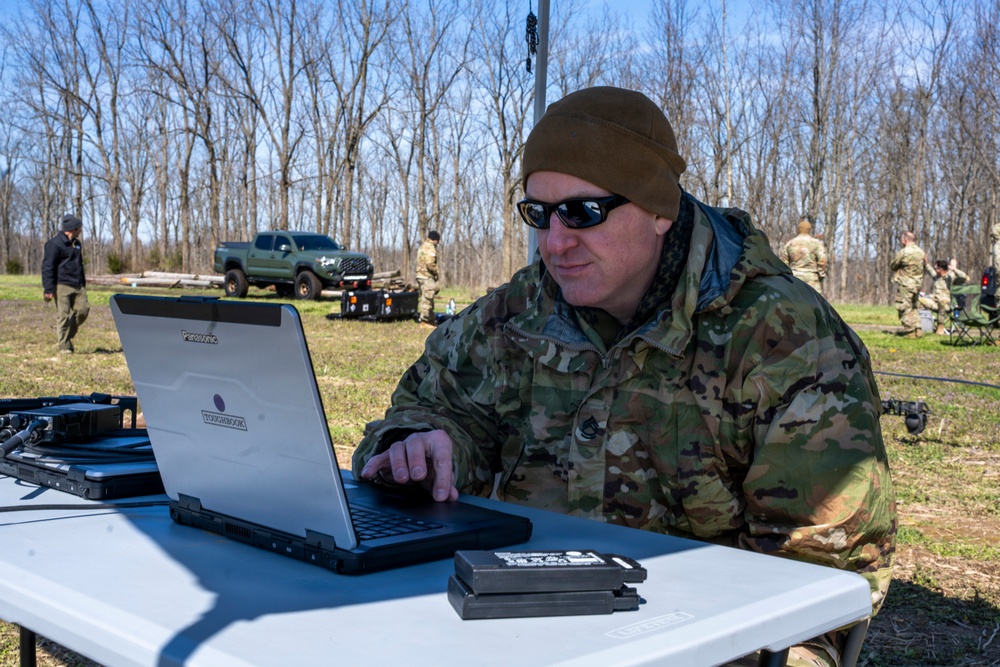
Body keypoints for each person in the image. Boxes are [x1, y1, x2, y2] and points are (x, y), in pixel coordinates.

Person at [353, 87, 895, 667]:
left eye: (583, 212)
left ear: (660, 211)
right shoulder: (516, 311)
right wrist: (422, 448)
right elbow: (433, 409)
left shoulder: (784, 340)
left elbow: (819, 584)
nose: (554, 243)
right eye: (538, 214)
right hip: (515, 630)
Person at [42, 214, 89, 354]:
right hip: (61, 285)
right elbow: (47, 267)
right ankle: (64, 346)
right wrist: (48, 288)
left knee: (83, 310)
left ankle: (66, 336)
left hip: (77, 284)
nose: (81, 230)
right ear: (73, 228)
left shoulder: (77, 244)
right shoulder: (54, 244)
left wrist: (83, 282)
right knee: (63, 315)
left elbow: (79, 265)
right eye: (79, 227)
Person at [778, 216, 827, 295]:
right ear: (809, 230)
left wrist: (787, 278)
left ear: (798, 229)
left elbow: (783, 264)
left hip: (795, 280)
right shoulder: (816, 243)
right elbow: (822, 261)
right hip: (812, 280)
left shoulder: (790, 244)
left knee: (795, 304)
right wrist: (821, 275)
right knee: (814, 305)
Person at [890, 231, 926, 338]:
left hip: (906, 284)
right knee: (914, 307)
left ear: (905, 240)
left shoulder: (904, 252)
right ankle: (918, 329)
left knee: (904, 307)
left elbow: (893, 265)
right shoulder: (921, 252)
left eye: (902, 239)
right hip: (917, 284)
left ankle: (910, 332)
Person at [919, 258, 968, 335]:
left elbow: (965, 278)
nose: (934, 270)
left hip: (947, 304)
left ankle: (940, 327)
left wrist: (955, 270)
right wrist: (926, 263)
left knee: (942, 303)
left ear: (940, 269)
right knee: (918, 299)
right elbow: (929, 270)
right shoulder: (936, 277)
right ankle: (918, 326)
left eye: (936, 268)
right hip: (934, 302)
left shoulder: (951, 277)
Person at [415, 230, 440, 327]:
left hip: (420, 275)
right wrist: (436, 272)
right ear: (435, 240)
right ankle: (425, 321)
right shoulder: (430, 248)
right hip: (426, 276)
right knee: (427, 299)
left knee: (425, 297)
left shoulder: (423, 247)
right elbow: (430, 264)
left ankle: (430, 319)